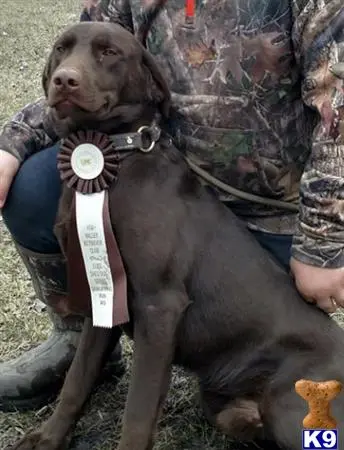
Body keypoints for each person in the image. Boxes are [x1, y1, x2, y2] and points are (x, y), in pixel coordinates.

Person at [0, 0, 343, 411]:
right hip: (167, 192)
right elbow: (88, 73)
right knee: (32, 187)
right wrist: (11, 144)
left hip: (275, 216)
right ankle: (79, 336)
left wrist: (322, 242)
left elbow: (339, 104)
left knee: (279, 359)